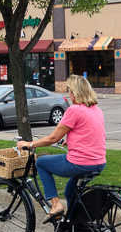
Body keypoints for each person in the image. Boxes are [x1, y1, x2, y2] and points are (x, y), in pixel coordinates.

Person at [16, 75, 106, 224]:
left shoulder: (74, 110)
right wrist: (70, 141)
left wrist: (29, 144)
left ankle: (56, 205)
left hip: (80, 163)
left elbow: (53, 138)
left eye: (69, 90)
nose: (68, 94)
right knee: (70, 192)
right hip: (99, 163)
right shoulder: (96, 110)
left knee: (42, 163)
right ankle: (75, 229)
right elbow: (89, 134)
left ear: (74, 92)